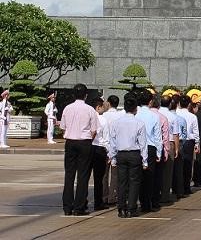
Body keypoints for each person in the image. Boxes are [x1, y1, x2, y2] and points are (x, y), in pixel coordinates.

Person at [59, 83, 99, 216]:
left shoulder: (67, 108)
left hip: (70, 142)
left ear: (73, 94)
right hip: (85, 142)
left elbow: (63, 127)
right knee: (83, 175)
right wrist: (87, 140)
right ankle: (79, 207)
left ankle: (67, 206)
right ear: (86, 95)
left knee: (69, 175)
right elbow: (94, 130)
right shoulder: (90, 110)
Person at [108, 92, 147, 218]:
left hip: (121, 154)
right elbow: (143, 143)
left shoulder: (116, 123)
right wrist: (145, 160)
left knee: (121, 182)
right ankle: (131, 208)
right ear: (135, 109)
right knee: (134, 182)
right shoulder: (139, 123)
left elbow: (112, 141)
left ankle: (121, 208)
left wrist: (113, 157)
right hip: (134, 154)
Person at [134, 89, 162, 212]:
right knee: (149, 177)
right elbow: (157, 136)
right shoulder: (154, 116)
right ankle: (147, 203)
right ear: (150, 102)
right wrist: (159, 152)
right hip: (150, 147)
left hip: (136, 148)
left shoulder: (135, 114)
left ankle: (136, 202)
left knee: (136, 177)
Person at [101, 95, 123, 206]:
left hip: (104, 147)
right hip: (117, 147)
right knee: (115, 175)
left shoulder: (103, 116)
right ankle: (113, 196)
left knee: (104, 174)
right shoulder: (120, 116)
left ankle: (104, 196)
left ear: (109, 103)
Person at [176, 95, 200, 194]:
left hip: (179, 140)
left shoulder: (176, 114)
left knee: (177, 166)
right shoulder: (193, 116)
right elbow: (196, 132)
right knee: (188, 165)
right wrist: (197, 144)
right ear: (189, 104)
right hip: (189, 142)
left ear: (179, 103)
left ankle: (177, 188)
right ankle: (186, 187)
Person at [159, 95, 179, 204]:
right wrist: (176, 149)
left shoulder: (155, 114)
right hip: (169, 143)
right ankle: (165, 196)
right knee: (167, 172)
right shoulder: (172, 117)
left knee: (157, 171)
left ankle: (155, 194)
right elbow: (176, 134)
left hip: (156, 143)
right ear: (170, 104)